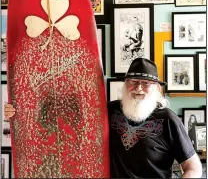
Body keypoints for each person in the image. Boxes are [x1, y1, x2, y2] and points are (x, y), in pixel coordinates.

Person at [4, 58, 203, 178]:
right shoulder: (109, 111)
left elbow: (193, 167)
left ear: (156, 88)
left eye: (145, 83)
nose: (138, 88)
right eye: (133, 82)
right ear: (125, 84)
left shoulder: (167, 119)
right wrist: (19, 112)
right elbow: (61, 115)